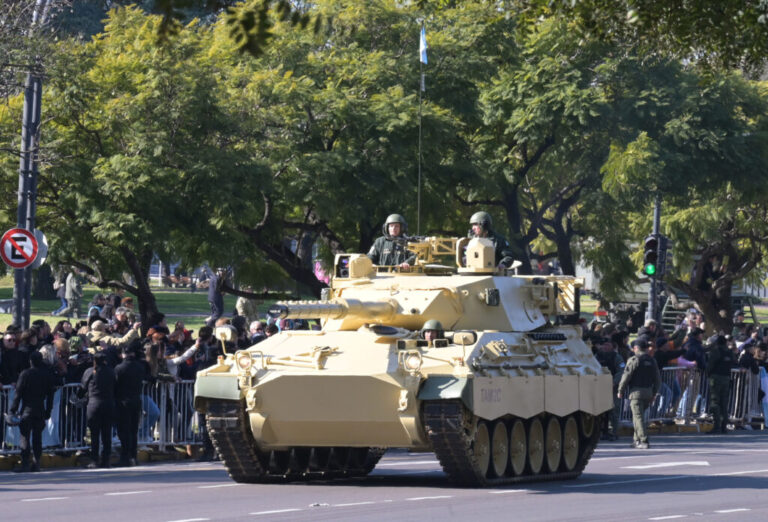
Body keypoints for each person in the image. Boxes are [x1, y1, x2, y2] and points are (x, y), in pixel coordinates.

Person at [8, 351, 54, 472]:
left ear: (30, 361)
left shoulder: (26, 374)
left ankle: (25, 464)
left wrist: (12, 410)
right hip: (40, 410)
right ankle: (36, 463)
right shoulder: (46, 375)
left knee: (25, 437)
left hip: (27, 410)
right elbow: (50, 396)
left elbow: (18, 394)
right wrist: (48, 411)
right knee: (37, 437)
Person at [617, 338, 661, 449]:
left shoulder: (634, 359)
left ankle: (643, 440)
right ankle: (636, 440)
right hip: (648, 392)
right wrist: (654, 393)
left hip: (636, 393)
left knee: (638, 417)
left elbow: (626, 376)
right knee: (639, 417)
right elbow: (657, 380)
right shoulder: (652, 360)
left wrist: (620, 390)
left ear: (636, 348)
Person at [78, 352, 116, 468]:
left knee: (94, 434)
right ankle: (106, 459)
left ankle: (94, 459)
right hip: (108, 404)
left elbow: (82, 389)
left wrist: (79, 396)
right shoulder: (111, 371)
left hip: (93, 405)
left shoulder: (89, 372)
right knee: (106, 433)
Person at [114, 339, 146, 466]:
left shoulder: (119, 368)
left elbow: (115, 385)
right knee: (133, 430)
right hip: (136, 400)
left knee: (123, 430)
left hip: (123, 402)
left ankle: (125, 457)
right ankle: (133, 456)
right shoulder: (140, 367)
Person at [594, 336, 624, 440]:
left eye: (607, 345)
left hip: (613, 388)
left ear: (612, 346)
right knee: (600, 411)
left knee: (614, 410)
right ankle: (602, 431)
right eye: (603, 345)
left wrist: (613, 382)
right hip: (600, 387)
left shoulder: (616, 357)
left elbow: (621, 371)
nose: (605, 347)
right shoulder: (597, 356)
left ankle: (613, 432)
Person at [706, 334, 735, 434]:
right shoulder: (729, 352)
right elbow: (734, 362)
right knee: (724, 402)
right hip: (726, 378)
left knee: (715, 402)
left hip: (716, 378)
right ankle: (724, 426)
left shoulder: (716, 351)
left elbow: (710, 364)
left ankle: (717, 426)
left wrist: (708, 373)